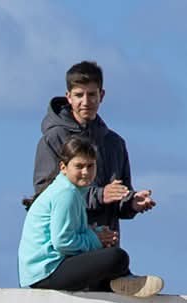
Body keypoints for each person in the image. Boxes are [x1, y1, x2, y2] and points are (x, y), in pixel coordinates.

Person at [21, 134, 163, 296]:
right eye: (79, 166)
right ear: (63, 167)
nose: (85, 172)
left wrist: (96, 234)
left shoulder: (71, 191)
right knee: (117, 256)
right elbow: (63, 242)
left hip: (44, 270)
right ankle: (125, 278)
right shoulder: (66, 194)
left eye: (90, 166)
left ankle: (121, 280)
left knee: (107, 258)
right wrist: (96, 239)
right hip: (46, 272)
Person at [32, 61, 156, 235]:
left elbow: (120, 196)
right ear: (69, 97)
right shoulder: (53, 139)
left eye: (91, 95)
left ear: (101, 95)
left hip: (106, 243)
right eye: (79, 95)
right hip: (67, 245)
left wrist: (132, 202)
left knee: (119, 259)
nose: (86, 101)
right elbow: (44, 197)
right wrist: (99, 195)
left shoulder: (115, 143)